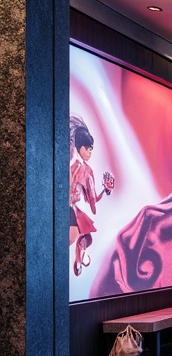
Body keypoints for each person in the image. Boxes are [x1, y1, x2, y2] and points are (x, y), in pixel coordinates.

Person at [69, 118, 115, 276]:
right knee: (84, 237)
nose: (90, 153)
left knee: (87, 238)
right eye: (89, 149)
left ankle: (80, 253)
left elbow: (92, 200)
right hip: (73, 210)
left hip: (76, 209)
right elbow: (92, 202)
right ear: (81, 148)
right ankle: (80, 252)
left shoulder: (81, 168)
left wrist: (105, 190)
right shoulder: (83, 170)